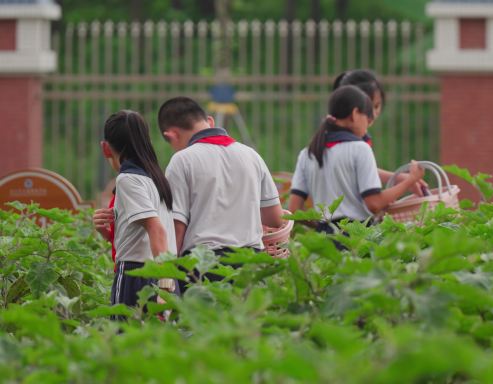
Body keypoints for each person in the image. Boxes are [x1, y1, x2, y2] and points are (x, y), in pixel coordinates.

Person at [158, 97, 283, 292]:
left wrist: (168, 274)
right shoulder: (251, 155)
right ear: (210, 121)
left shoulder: (181, 161)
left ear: (172, 135)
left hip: (203, 267)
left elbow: (177, 227)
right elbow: (275, 218)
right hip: (251, 264)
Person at [288, 85, 424, 232]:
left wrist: (324, 228)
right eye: (368, 118)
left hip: (323, 239)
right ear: (355, 114)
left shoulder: (307, 153)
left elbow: (294, 210)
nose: (368, 124)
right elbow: (374, 203)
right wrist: (411, 179)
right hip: (356, 236)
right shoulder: (360, 148)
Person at [95, 110, 177, 315]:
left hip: (137, 276)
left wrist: (164, 286)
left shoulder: (128, 180)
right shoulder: (155, 179)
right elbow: (140, 238)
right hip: (164, 273)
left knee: (125, 342)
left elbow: (156, 229)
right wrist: (107, 233)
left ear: (105, 148)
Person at [333, 69, 428, 196]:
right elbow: (374, 203)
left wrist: (399, 178)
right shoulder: (349, 145)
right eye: (367, 107)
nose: (373, 114)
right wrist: (408, 180)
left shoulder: (353, 139)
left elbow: (361, 169)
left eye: (377, 106)